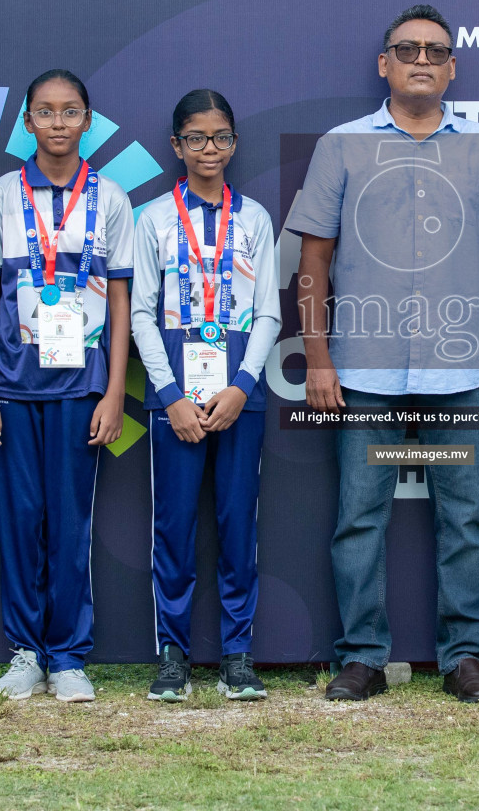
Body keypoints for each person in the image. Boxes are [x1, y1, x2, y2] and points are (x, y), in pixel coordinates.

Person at [287, 4, 479, 703]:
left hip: (459, 373)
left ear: (452, 66)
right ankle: (363, 655)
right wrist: (319, 356)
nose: (422, 60)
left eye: (435, 51)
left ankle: (464, 655)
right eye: (408, 50)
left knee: (463, 516)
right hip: (363, 372)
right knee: (360, 515)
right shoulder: (342, 145)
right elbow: (314, 257)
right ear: (384, 64)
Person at [0, 69, 133, 703]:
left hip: (80, 389)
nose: (58, 123)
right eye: (46, 112)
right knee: (19, 520)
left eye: (70, 112)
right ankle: (25, 652)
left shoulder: (111, 198)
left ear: (87, 120)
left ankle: (67, 655)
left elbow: (119, 300)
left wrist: (115, 390)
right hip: (9, 387)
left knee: (69, 524)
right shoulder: (0, 196)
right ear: (28, 123)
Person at [131, 90, 281, 702]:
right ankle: (173, 653)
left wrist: (242, 387)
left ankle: (238, 653)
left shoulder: (255, 219)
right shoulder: (153, 219)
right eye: (196, 138)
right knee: (173, 526)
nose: (209, 149)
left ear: (234, 143)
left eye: (220, 137)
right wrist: (169, 396)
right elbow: (140, 311)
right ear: (177, 146)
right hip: (176, 400)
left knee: (235, 523)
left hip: (239, 397)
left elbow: (268, 313)